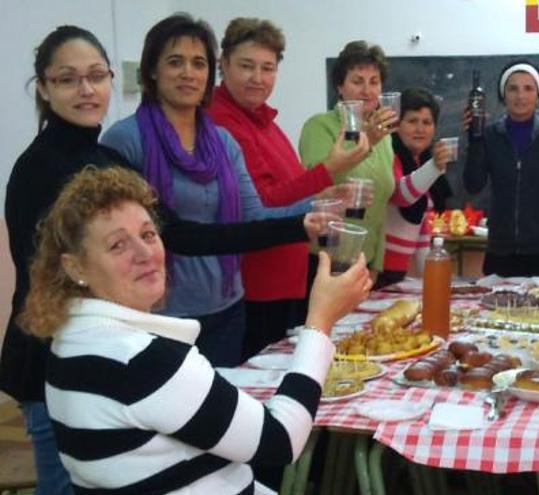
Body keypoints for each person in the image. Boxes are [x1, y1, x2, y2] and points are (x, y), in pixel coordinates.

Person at [1, 25, 339, 495]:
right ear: (43, 87)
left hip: (120, 346)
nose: (86, 90)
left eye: (96, 76)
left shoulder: (107, 157)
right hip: (54, 359)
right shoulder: (42, 168)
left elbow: (179, 233)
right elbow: (45, 282)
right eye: (67, 79)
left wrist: (298, 226)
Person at [19, 165, 372, 494]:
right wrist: (320, 322)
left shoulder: (69, 342)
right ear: (75, 266)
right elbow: (280, 441)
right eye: (118, 244)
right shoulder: (143, 361)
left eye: (148, 234)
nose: (145, 253)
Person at [101, 14, 368, 366]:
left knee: (225, 412)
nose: (188, 73)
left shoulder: (221, 142)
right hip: (162, 312)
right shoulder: (126, 140)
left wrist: (320, 207)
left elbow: (252, 215)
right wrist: (312, 205)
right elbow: (157, 234)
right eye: (175, 62)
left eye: (198, 63)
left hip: (227, 305)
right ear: (152, 70)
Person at [205, 17, 368, 359]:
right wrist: (330, 169)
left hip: (284, 277)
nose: (258, 78)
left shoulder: (266, 122)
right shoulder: (220, 122)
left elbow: (288, 193)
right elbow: (260, 205)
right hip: (256, 282)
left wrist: (326, 196)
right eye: (246, 66)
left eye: (268, 68)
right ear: (223, 65)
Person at [463, 60, 539, 278]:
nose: (520, 96)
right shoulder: (490, 135)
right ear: (503, 95)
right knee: (498, 313)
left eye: (528, 88)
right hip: (501, 251)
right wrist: (474, 138)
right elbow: (473, 185)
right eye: (513, 88)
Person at [299, 40, 398, 273]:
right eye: (357, 81)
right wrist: (368, 141)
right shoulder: (319, 127)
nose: (367, 90)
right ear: (340, 87)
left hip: (364, 262)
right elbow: (318, 187)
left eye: (374, 82)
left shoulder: (385, 137)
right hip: (323, 260)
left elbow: (381, 205)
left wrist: (377, 265)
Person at [376, 88, 453, 288]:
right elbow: (401, 194)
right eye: (412, 121)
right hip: (375, 269)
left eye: (427, 122)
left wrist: (431, 284)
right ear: (397, 125)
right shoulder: (387, 153)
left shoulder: (423, 162)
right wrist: (435, 167)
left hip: (397, 273)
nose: (420, 129)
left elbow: (423, 232)